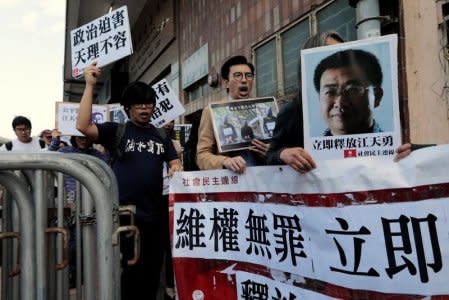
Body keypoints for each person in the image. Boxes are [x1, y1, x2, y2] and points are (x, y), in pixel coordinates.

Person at [76, 62, 182, 300]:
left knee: (153, 272)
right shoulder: (117, 131)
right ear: (127, 108)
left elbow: (174, 161)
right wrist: (90, 85)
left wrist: (176, 166)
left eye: (148, 103)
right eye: (138, 104)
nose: (145, 108)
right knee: (129, 272)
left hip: (156, 217)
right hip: (126, 218)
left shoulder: (161, 135)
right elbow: (83, 126)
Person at [266, 31, 344, 173]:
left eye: (342, 53)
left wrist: (397, 155)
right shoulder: (292, 110)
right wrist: (283, 154)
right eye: (331, 53)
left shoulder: (362, 107)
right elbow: (270, 156)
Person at [48, 129, 109, 287]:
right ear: (73, 136)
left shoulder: (96, 154)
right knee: (66, 241)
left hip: (88, 203)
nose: (83, 140)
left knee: (80, 241)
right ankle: (67, 275)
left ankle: (76, 274)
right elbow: (47, 157)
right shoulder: (64, 150)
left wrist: (107, 143)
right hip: (67, 202)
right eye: (80, 136)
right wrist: (55, 140)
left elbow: (110, 163)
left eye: (86, 137)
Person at [196, 55, 269, 173]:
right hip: (231, 184)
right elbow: (201, 156)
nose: (244, 80)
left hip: (264, 181)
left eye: (248, 75)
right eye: (238, 75)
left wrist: (272, 151)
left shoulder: (263, 109)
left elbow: (280, 148)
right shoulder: (211, 111)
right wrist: (224, 161)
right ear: (226, 83)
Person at [313, 48, 384, 136]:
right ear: (319, 99)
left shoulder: (397, 144)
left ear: (377, 96)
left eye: (352, 90)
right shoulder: (305, 147)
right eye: (330, 92)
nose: (339, 103)